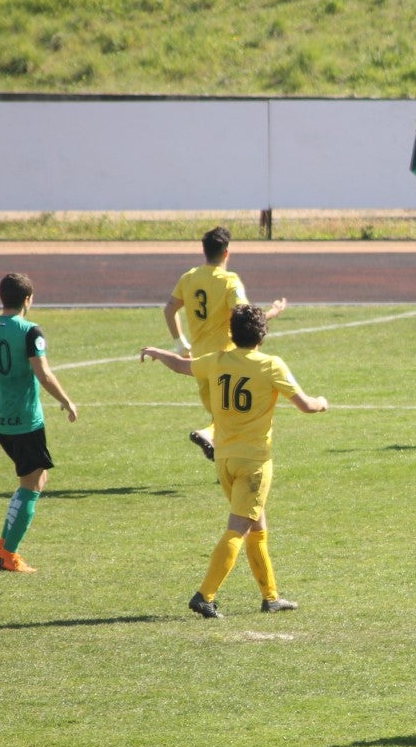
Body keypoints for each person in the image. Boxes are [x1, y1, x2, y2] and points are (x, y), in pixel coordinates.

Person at [141, 304, 328, 618]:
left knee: (257, 524)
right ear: (262, 335)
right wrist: (323, 403)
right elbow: (307, 406)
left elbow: (181, 365)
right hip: (253, 463)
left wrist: (159, 352)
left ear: (232, 333)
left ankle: (271, 597)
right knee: (238, 528)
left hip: (225, 460)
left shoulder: (217, 361)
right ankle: (204, 595)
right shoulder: (271, 365)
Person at [0, 273, 79, 574]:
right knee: (32, 484)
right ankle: (9, 554)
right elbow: (43, 374)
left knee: (37, 481)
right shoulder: (30, 331)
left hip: (2, 422)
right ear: (28, 299)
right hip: (27, 422)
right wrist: (66, 400)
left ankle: (4, 541)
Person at [165, 226, 287, 460]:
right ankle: (208, 435)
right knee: (232, 416)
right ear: (226, 253)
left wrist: (180, 344)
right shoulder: (229, 281)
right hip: (228, 358)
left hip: (199, 359)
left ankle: (223, 464)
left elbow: (169, 310)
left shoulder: (189, 278)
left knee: (221, 413)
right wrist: (272, 312)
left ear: (205, 251)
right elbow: (242, 315)